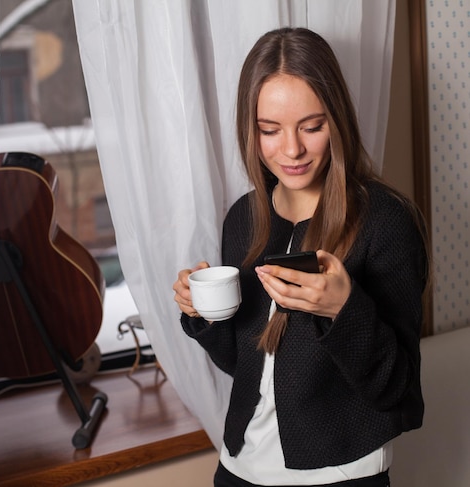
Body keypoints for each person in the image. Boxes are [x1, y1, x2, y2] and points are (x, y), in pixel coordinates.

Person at [172, 27, 430, 487]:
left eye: (312, 127)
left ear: (338, 120)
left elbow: (398, 388)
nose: (291, 150)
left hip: (343, 472)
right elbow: (247, 366)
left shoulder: (384, 222)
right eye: (269, 130)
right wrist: (203, 314)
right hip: (241, 467)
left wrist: (342, 310)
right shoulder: (243, 220)